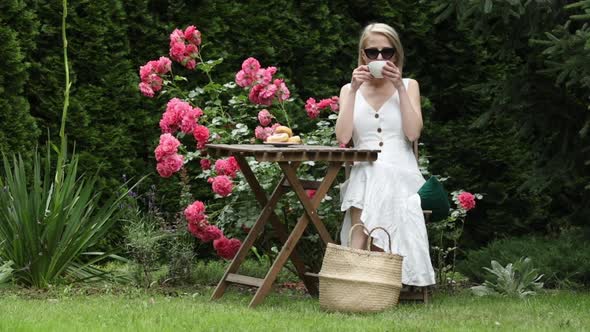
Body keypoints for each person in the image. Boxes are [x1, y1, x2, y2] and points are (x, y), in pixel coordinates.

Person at [335, 23, 435, 287]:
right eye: (372, 52)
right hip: (365, 171)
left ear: (397, 55)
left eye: (387, 52)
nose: (380, 59)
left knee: (373, 172)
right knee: (370, 170)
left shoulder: (409, 85)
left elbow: (413, 134)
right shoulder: (348, 90)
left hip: (402, 170)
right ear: (362, 56)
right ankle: (373, 277)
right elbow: (344, 139)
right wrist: (354, 90)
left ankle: (355, 270)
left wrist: (399, 88)